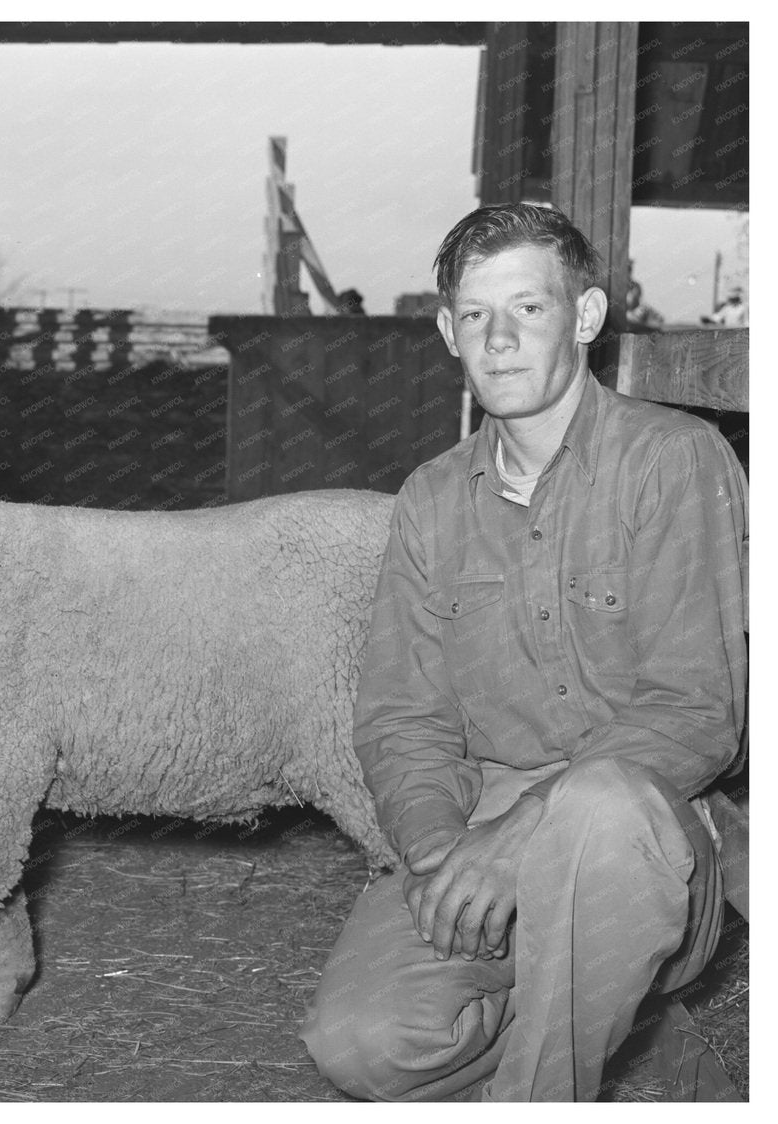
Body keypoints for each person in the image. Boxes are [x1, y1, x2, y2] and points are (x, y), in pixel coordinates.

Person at [299, 203, 747, 1101]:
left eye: (529, 310)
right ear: (446, 332)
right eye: (474, 315)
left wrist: (516, 839)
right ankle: (609, 1016)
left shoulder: (673, 461)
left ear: (583, 317)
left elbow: (696, 713)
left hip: (650, 828)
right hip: (479, 819)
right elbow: (402, 716)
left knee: (600, 803)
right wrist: (438, 857)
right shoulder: (431, 499)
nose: (499, 340)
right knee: (363, 1046)